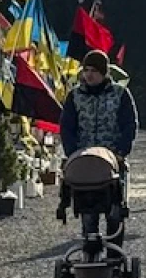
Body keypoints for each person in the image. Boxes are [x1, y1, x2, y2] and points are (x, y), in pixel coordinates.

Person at [58, 50, 138, 240]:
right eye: (86, 70)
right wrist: (72, 153)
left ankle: (114, 256)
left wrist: (121, 151)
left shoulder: (120, 94)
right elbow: (66, 126)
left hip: (112, 161)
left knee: (115, 215)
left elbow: (129, 124)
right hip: (83, 162)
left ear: (104, 72)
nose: (89, 74)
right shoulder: (74, 97)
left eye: (94, 70)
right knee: (88, 215)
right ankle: (90, 253)